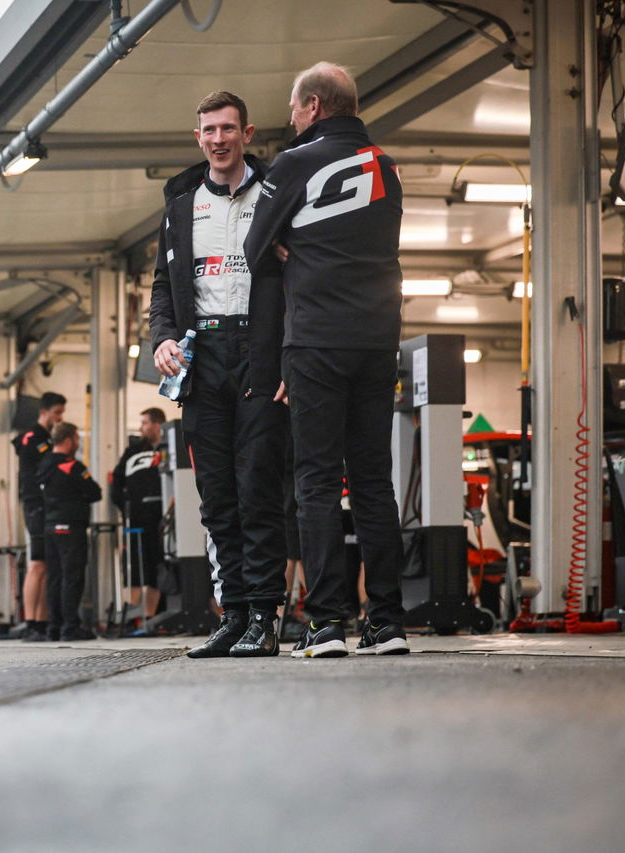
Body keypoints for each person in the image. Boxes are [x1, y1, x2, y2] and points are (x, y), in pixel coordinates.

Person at [244, 62, 409, 657]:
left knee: (315, 481)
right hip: (377, 340)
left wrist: (294, 254)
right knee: (373, 482)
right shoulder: (387, 167)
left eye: (293, 108)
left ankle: (326, 625)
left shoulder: (294, 162)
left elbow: (252, 246)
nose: (290, 118)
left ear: (313, 106)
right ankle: (387, 622)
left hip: (316, 340)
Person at [149, 91, 290, 658]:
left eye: (228, 129)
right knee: (216, 494)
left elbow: (300, 277)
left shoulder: (278, 193)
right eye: (209, 130)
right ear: (197, 137)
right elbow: (163, 283)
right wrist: (161, 338)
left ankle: (265, 616)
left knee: (258, 485)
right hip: (200, 355)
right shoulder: (181, 204)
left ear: (247, 133)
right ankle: (232, 614)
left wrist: (289, 354)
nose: (218, 139)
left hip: (259, 349)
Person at [38, 422, 102, 641]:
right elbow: (95, 492)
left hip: (49, 527)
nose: (77, 443)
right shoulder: (72, 466)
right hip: (71, 527)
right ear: (68, 440)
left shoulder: (43, 464)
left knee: (54, 577)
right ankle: (70, 627)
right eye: (76, 438)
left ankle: (53, 627)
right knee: (72, 577)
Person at [11, 391, 66, 642]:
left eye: (61, 413)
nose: (59, 417)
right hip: (35, 505)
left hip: (47, 505)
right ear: (43, 411)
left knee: (45, 565)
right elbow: (22, 447)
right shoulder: (32, 437)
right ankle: (31, 621)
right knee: (36, 564)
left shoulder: (47, 437)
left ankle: (41, 623)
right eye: (56, 412)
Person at [110, 407, 167, 623]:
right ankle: (132, 616)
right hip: (136, 519)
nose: (141, 428)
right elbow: (116, 482)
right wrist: (125, 509)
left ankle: (151, 616)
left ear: (156, 424)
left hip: (164, 520)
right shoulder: (132, 450)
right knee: (134, 567)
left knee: (158, 566)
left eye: (144, 423)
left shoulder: (170, 446)